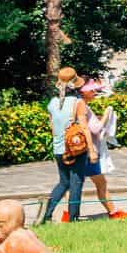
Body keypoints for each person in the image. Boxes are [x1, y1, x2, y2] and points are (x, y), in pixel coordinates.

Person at [41, 68, 94, 225]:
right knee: (76, 182)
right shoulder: (78, 103)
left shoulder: (52, 103)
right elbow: (84, 128)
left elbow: (53, 127)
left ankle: (45, 214)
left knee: (63, 182)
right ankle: (73, 219)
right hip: (75, 149)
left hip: (59, 148)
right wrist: (91, 149)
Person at [78, 79, 127, 220]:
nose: (95, 93)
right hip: (87, 151)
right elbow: (95, 129)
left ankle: (68, 214)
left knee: (70, 184)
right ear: (83, 91)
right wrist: (106, 115)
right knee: (101, 183)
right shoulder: (83, 107)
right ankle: (113, 212)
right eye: (92, 90)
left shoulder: (67, 104)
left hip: (71, 150)